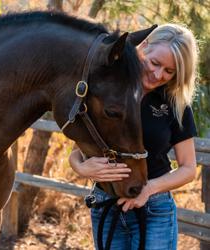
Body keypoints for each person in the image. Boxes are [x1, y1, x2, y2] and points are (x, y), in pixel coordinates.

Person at [69, 23, 199, 250]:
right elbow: (77, 153)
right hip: (105, 204)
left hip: (154, 209)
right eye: (155, 63)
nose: (158, 75)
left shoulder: (174, 104)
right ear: (144, 47)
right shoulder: (111, 92)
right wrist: (82, 168)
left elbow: (188, 169)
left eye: (169, 71)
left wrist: (148, 189)